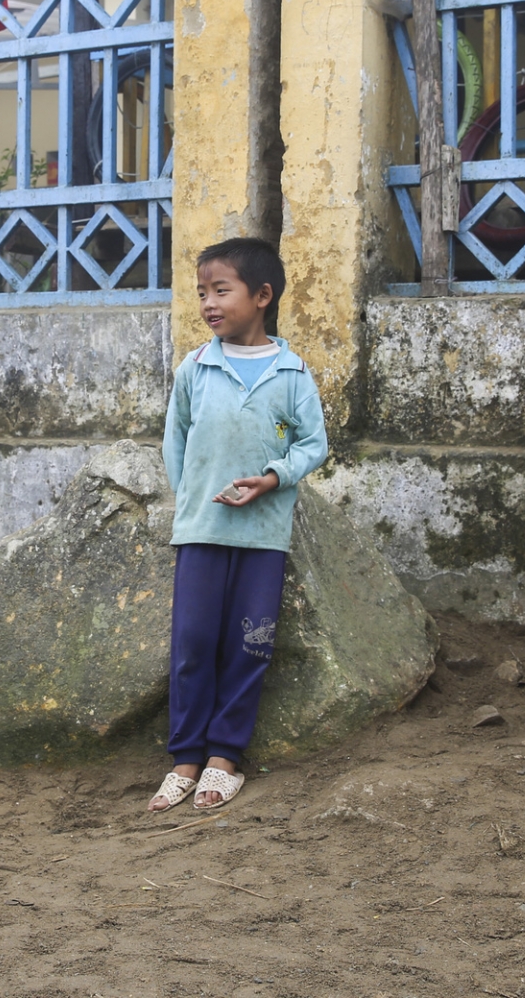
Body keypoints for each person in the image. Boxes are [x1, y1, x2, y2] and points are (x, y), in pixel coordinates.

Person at [150, 238, 328, 813]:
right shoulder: (195, 368)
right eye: (202, 292)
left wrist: (273, 478)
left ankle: (225, 756)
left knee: (250, 644)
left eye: (220, 290)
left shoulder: (291, 372)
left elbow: (313, 444)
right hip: (201, 532)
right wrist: (192, 500)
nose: (208, 303)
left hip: (262, 538)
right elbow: (174, 440)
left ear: (262, 296)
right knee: (194, 643)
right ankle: (185, 757)